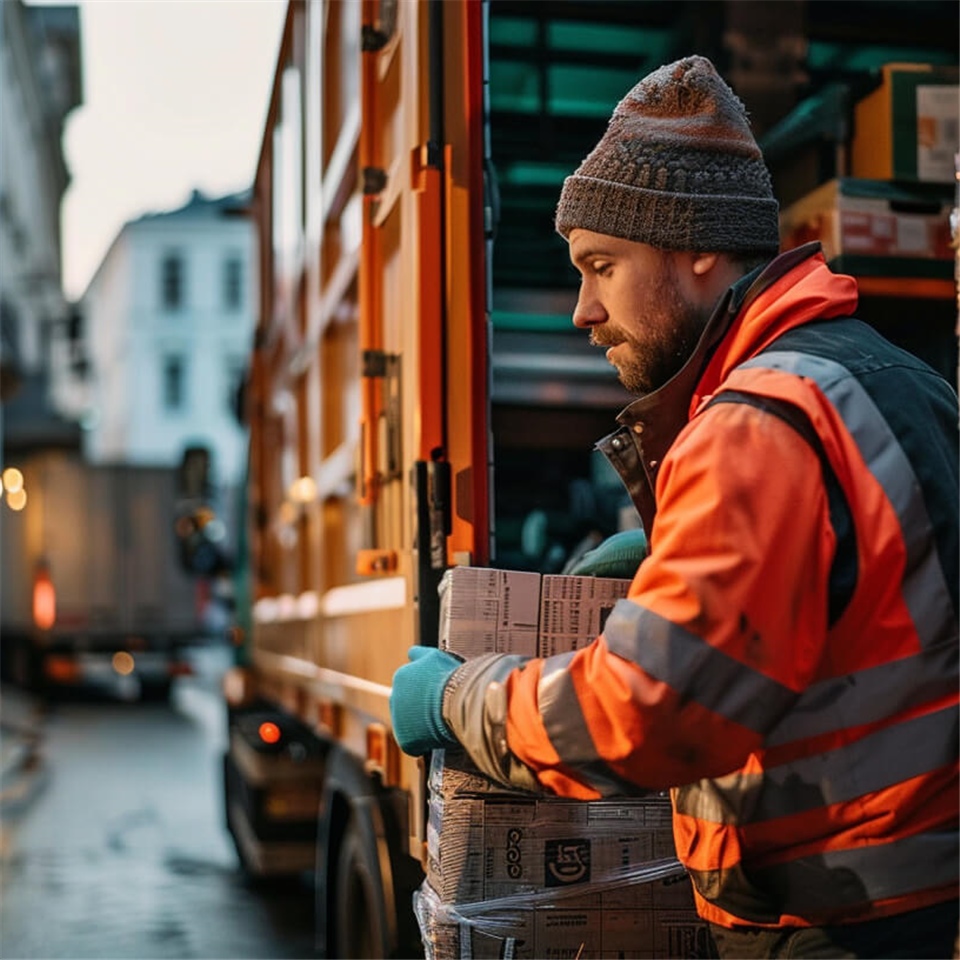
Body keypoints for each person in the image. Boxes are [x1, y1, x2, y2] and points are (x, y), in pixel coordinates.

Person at [390, 55, 960, 959]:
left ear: (697, 248)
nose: (582, 310)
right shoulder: (897, 379)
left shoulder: (754, 422)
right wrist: (666, 558)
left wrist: (455, 697)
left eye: (602, 266)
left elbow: (642, 715)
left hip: (837, 919)